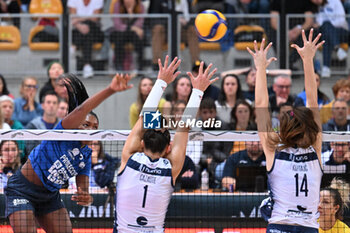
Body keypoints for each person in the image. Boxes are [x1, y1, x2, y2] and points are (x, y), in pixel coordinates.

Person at [5, 72, 133, 232]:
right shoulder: (62, 131)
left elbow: (83, 189)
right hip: (22, 190)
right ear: (76, 125)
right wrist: (111, 90)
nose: (91, 130)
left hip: (49, 196)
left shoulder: (86, 154)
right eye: (86, 125)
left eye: (95, 127)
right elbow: (82, 109)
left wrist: (85, 197)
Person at [114, 56, 217, 232]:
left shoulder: (129, 157)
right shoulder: (170, 168)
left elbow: (144, 118)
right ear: (168, 148)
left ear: (141, 143)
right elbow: (184, 127)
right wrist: (199, 90)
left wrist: (161, 82)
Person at [248, 30, 324, 232]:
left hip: (280, 226)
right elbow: (313, 101)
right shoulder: (315, 149)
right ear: (308, 127)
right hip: (308, 227)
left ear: (283, 128)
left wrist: (260, 68)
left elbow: (261, 105)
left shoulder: (274, 150)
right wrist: (308, 61)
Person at [148, 0, 200, 71]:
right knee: (158, 29)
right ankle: (156, 63)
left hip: (182, 30)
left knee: (192, 29)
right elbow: (153, 18)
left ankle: (196, 63)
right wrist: (173, 19)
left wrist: (184, 22)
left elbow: (192, 18)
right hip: (165, 30)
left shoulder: (187, 1)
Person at [311, 0, 349, 78]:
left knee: (327, 27)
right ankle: (337, 49)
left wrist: (330, 25)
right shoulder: (315, 7)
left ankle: (326, 67)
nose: (316, 1)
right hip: (325, 33)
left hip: (341, 31)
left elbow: (341, 20)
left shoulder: (335, 2)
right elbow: (317, 22)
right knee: (326, 32)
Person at [68, 0, 104, 79]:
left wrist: (79, 20)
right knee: (87, 35)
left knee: (89, 25)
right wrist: (80, 26)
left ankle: (74, 46)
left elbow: (95, 18)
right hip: (78, 30)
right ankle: (87, 66)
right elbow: (73, 17)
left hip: (95, 32)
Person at [110, 0, 145, 71]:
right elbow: (117, 24)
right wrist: (132, 28)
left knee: (139, 39)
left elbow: (140, 22)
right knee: (119, 39)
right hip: (120, 32)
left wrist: (131, 12)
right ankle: (119, 66)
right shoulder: (117, 5)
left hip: (133, 33)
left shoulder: (140, 6)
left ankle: (139, 66)